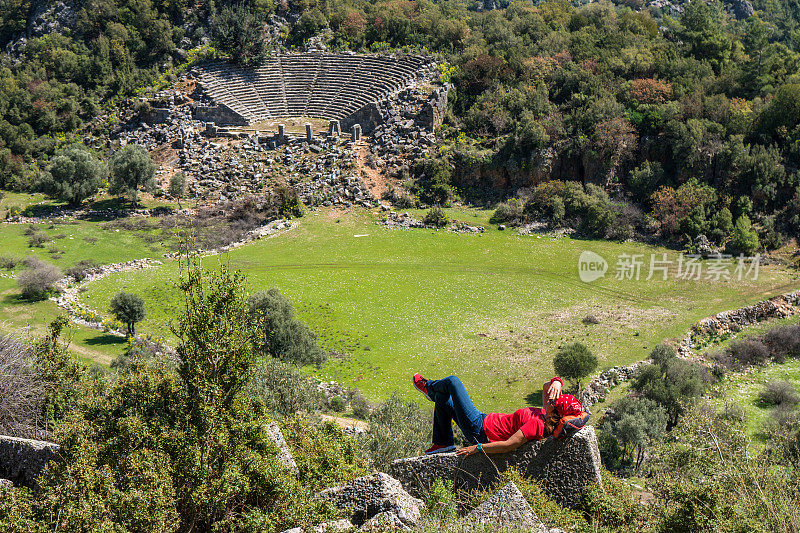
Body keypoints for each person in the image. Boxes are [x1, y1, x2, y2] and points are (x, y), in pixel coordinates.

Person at [412, 373, 582, 456]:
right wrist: (556, 381)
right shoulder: (546, 414)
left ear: (557, 413)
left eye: (555, 402)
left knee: (452, 382)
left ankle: (429, 387)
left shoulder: (537, 424)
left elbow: (509, 445)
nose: (552, 400)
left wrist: (477, 448)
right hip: (484, 420)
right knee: (443, 398)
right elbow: (547, 389)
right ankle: (443, 443)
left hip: (479, 430)